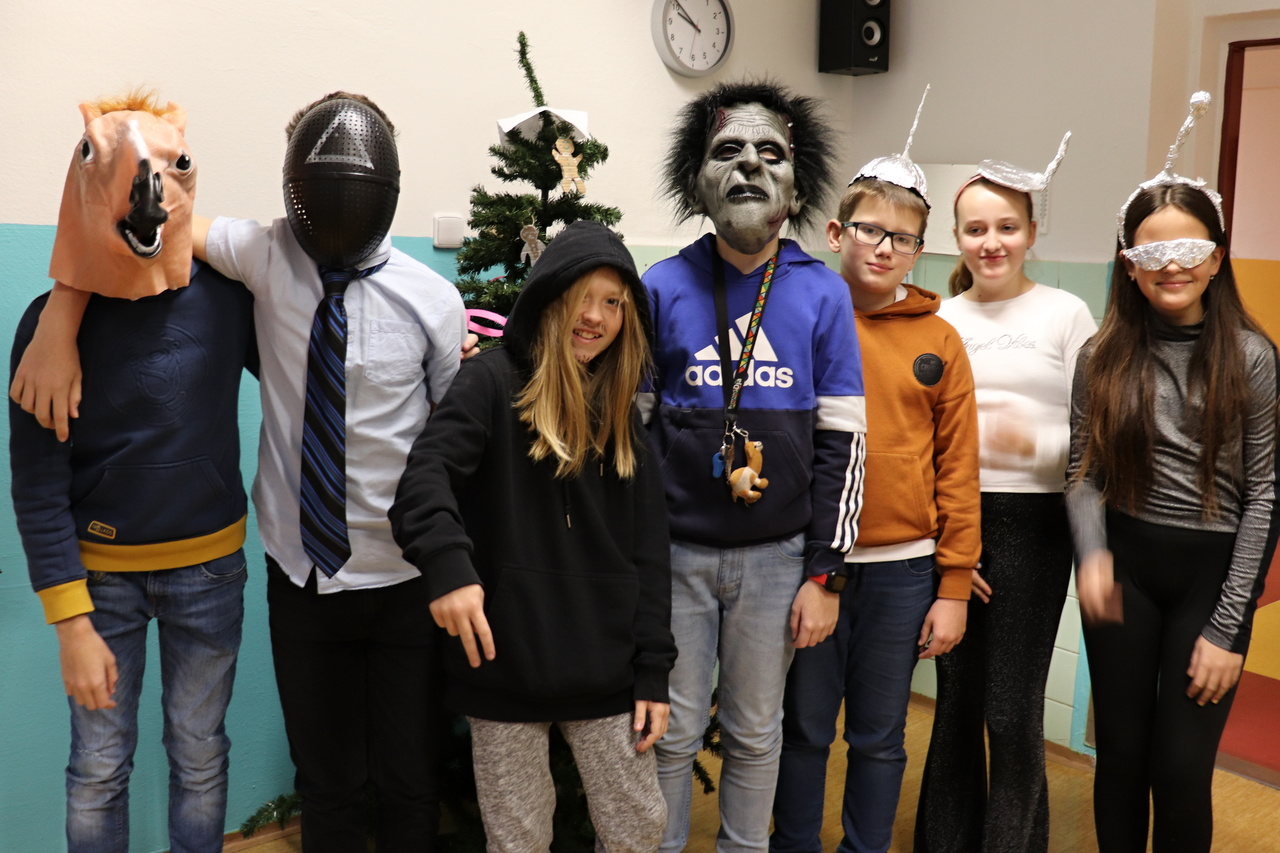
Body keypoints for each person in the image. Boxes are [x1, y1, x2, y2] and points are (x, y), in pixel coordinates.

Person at [11, 92, 467, 853]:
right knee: (106, 767)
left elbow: (398, 416)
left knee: (237, 760)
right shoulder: (245, 262)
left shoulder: (251, 295)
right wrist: (62, 307)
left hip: (307, 572)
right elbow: (129, 218)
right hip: (199, 574)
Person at [10, 92, 255, 853]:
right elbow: (37, 482)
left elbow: (303, 350)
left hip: (209, 569)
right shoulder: (48, 327)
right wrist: (70, 622)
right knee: (97, 767)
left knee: (200, 754)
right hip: (101, 578)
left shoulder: (227, 300)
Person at [390, 220, 675, 853]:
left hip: (608, 672)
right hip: (503, 670)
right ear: (549, 297)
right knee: (517, 838)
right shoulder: (490, 382)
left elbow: (650, 553)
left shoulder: (622, 413)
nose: (595, 317)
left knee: (638, 825)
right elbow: (423, 480)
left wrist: (653, 671)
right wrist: (449, 568)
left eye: (613, 303)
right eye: (582, 298)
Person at [640, 81, 867, 853]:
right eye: (727, 150)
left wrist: (825, 572)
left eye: (770, 152)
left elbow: (845, 443)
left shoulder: (824, 294)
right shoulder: (660, 286)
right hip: (675, 555)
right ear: (696, 177)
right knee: (668, 731)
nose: (748, 166)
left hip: (777, 560)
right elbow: (632, 436)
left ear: (796, 181)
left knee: (755, 730)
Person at [1065, 93, 1277, 853]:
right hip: (1123, 571)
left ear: (1217, 257)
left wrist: (1229, 627)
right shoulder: (1101, 354)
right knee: (1121, 758)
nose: (1173, 266)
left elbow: (1266, 494)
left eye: (1190, 249)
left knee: (1181, 770)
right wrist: (1092, 553)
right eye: (1152, 253)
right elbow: (1082, 471)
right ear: (1130, 265)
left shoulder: (1251, 356)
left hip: (1209, 580)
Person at [771, 93, 981, 853]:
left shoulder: (940, 341)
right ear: (837, 233)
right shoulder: (797, 318)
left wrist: (953, 587)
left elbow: (957, 467)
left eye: (904, 238)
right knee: (802, 730)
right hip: (808, 564)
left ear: (920, 250)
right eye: (870, 230)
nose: (885, 248)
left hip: (903, 572)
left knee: (880, 737)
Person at [915, 135, 1097, 853]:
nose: (991, 242)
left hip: (1037, 525)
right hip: (954, 520)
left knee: (1011, 712)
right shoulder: (940, 318)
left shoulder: (1067, 314)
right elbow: (922, 436)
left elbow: (1092, 437)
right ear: (956, 236)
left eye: (1007, 226)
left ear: (1031, 231)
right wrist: (947, 544)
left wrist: (1031, 446)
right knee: (956, 704)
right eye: (976, 228)